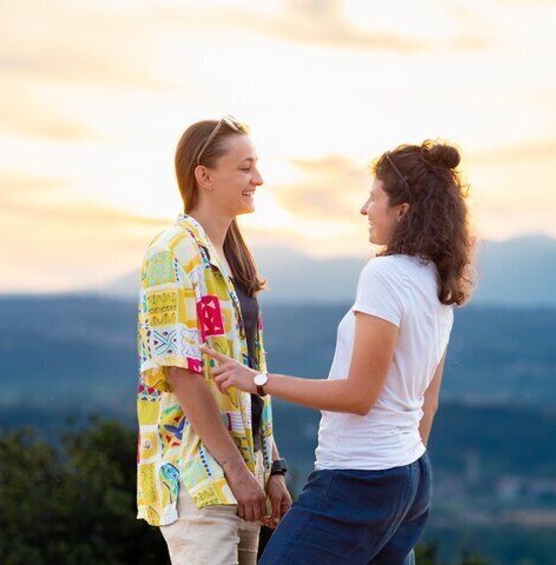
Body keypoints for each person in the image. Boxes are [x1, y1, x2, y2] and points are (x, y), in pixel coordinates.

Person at [201, 139, 474, 564]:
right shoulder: (438, 279)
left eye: (374, 197)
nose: (364, 208)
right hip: (410, 476)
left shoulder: (385, 275)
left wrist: (256, 380)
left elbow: (358, 396)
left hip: (359, 480)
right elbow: (428, 402)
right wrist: (399, 465)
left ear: (402, 210)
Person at [136, 116, 292, 565]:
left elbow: (249, 375)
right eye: (245, 168)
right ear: (204, 175)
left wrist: (272, 468)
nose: (257, 179)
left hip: (245, 478)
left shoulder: (234, 255)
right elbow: (180, 373)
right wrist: (236, 469)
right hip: (198, 481)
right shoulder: (171, 251)